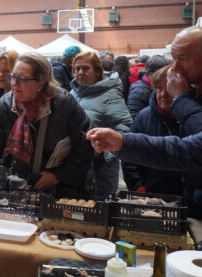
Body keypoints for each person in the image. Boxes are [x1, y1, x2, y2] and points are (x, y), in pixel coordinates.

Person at [87, 26, 202, 217]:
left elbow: (191, 150)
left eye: (183, 58)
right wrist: (122, 142)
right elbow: (182, 149)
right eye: (174, 59)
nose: (175, 67)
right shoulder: (189, 96)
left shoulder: (186, 100)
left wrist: (181, 100)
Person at [0, 53, 94, 197]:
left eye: (22, 79)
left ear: (41, 82)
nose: (14, 84)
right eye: (13, 77)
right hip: (24, 184)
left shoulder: (64, 103)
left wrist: (58, 176)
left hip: (63, 189)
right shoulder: (8, 101)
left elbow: (85, 144)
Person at [70, 51, 132, 197]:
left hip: (100, 171)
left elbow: (125, 128)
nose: (80, 72)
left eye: (85, 68)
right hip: (75, 166)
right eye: (77, 69)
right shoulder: (73, 93)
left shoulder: (110, 95)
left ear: (97, 71)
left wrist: (107, 156)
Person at [122, 65, 183, 195]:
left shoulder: (192, 117)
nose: (163, 94)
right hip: (153, 194)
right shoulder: (144, 117)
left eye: (169, 88)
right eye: (159, 88)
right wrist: (138, 188)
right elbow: (129, 157)